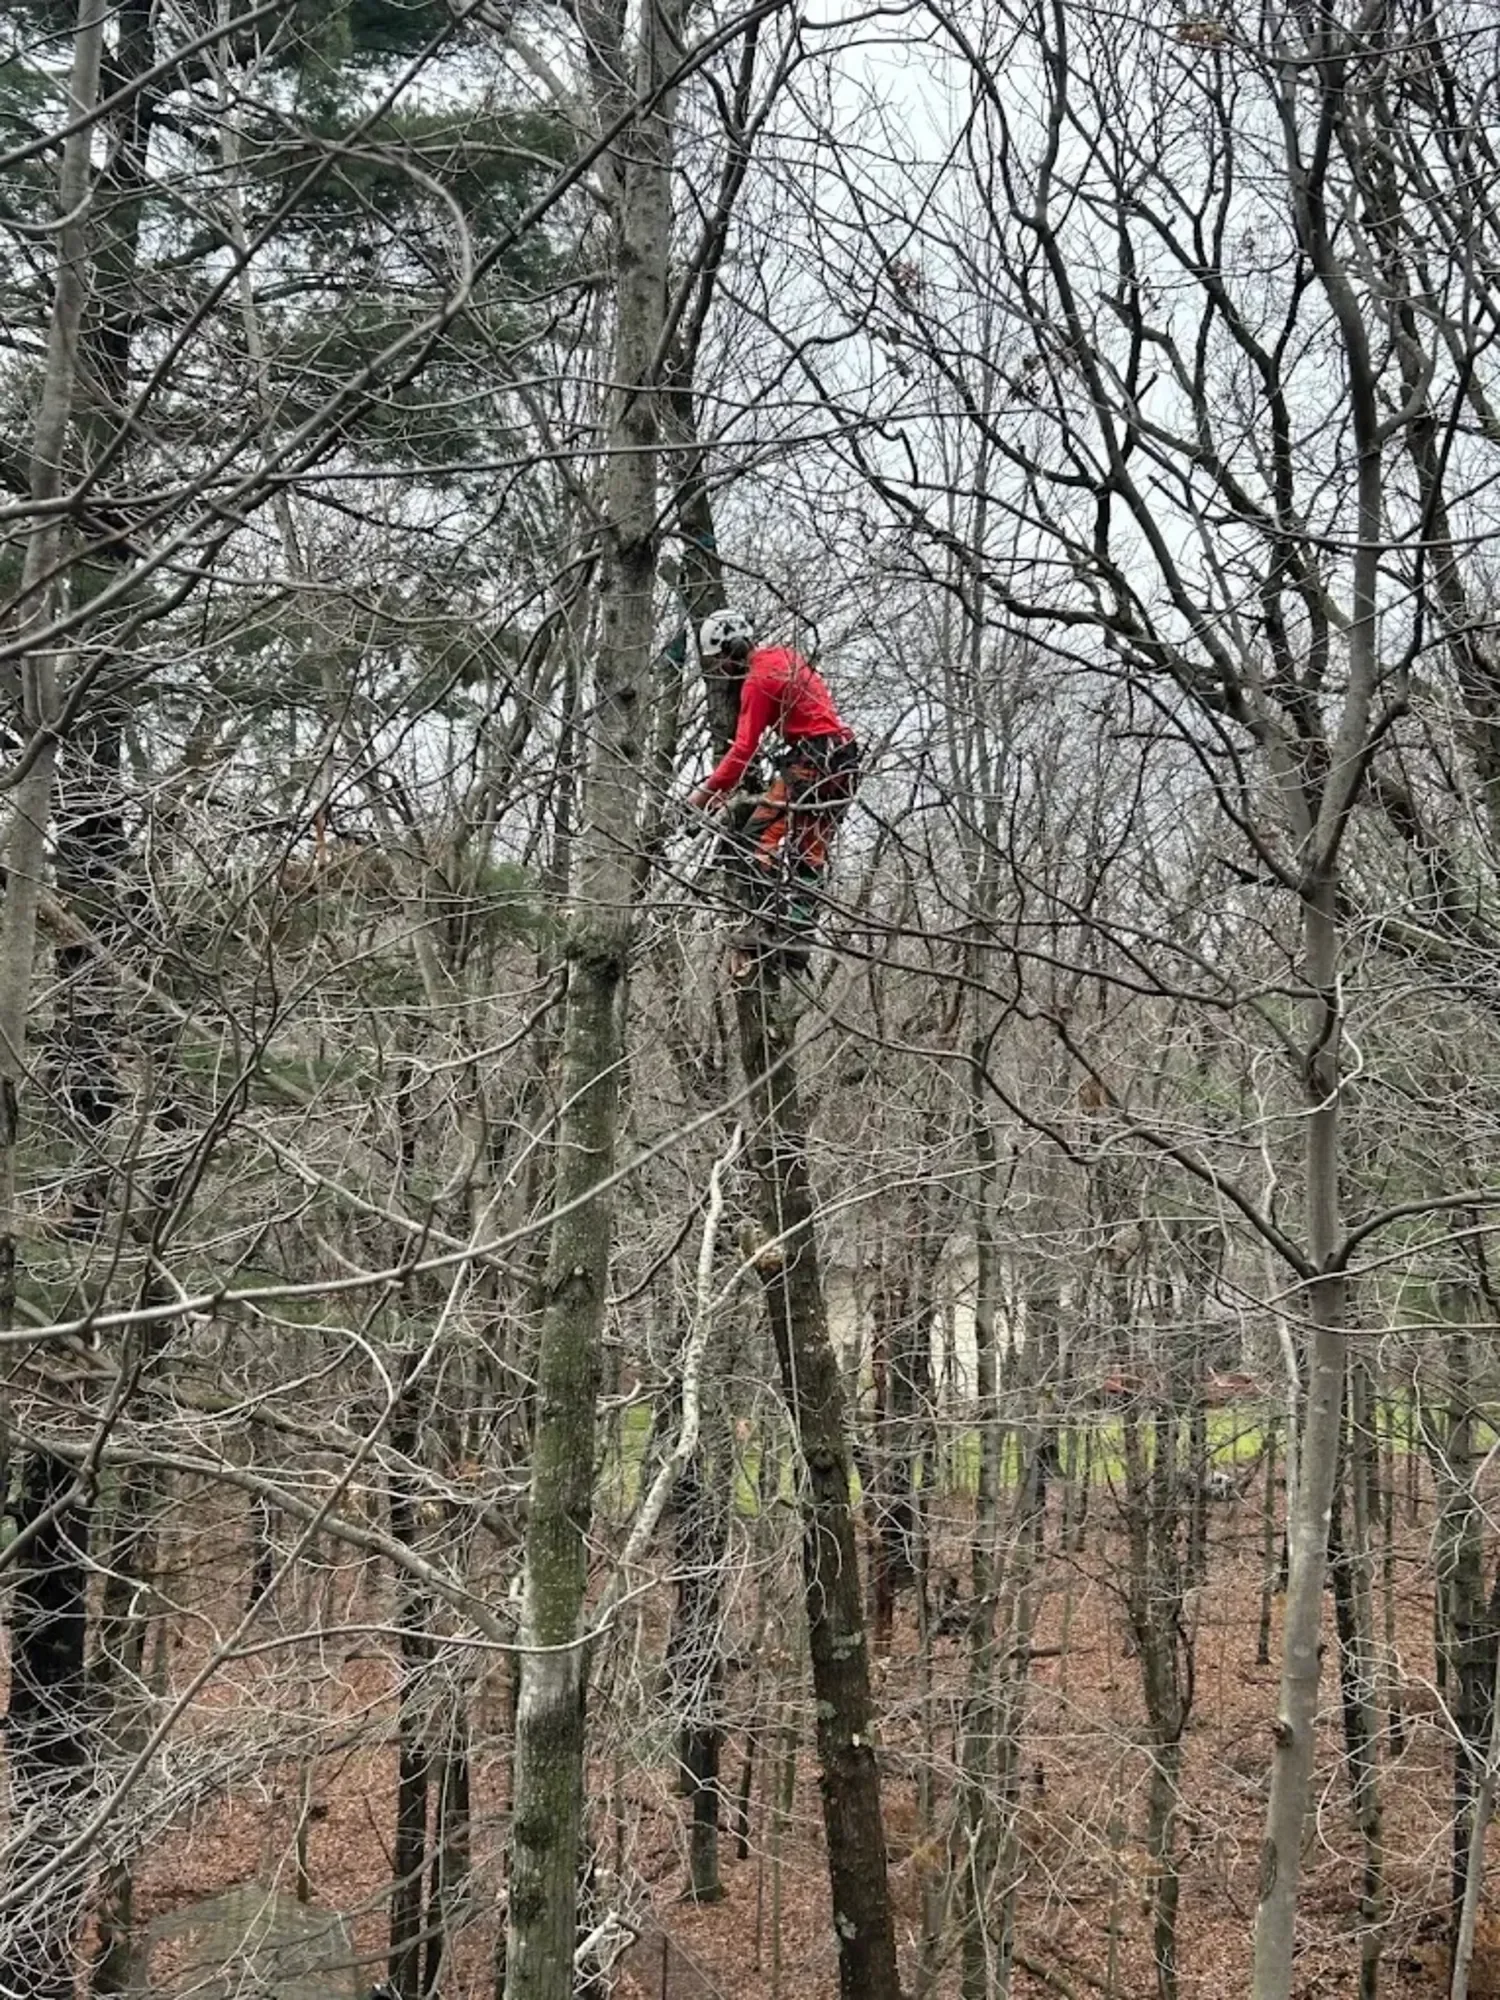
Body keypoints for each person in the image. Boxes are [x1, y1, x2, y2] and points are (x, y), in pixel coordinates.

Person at [687, 608, 860, 970]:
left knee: (755, 838)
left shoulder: (757, 681)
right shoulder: (785, 656)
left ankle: (768, 929)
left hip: (813, 763)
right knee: (808, 853)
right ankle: (796, 939)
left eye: (720, 660)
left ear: (731, 649)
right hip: (843, 761)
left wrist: (703, 795)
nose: (720, 670)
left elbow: (742, 751)